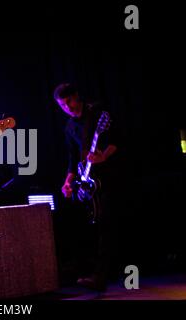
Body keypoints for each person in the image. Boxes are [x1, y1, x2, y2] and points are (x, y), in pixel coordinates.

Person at [54, 83, 120, 292]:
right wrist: (68, 181)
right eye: (62, 105)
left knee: (106, 224)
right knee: (94, 225)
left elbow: (116, 140)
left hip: (109, 176)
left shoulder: (96, 113)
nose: (67, 107)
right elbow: (73, 157)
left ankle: (102, 276)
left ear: (76, 97)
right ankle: (93, 272)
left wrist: (104, 156)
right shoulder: (70, 126)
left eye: (69, 102)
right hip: (88, 180)